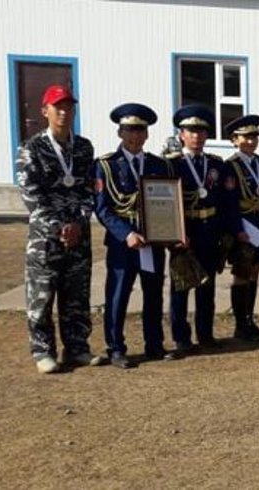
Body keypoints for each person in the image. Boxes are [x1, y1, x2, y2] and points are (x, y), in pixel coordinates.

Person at [17, 84, 102, 374]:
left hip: (78, 236)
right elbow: (31, 194)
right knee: (41, 296)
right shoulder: (31, 148)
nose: (64, 112)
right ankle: (43, 351)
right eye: (58, 107)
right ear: (45, 111)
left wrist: (78, 222)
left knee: (77, 295)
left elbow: (89, 189)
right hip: (46, 239)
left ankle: (77, 347)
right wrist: (58, 227)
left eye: (68, 107)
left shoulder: (83, 148)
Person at [94, 103, 174, 368]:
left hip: (153, 240)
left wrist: (171, 232)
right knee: (118, 294)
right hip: (124, 243)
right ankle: (116, 348)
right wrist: (126, 233)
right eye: (129, 129)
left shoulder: (159, 165)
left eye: (140, 130)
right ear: (120, 132)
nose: (135, 135)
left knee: (153, 293)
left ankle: (154, 344)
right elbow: (102, 209)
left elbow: (169, 204)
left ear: (147, 134)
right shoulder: (106, 166)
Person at [167, 104, 227, 353]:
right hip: (185, 230)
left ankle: (205, 333)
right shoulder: (172, 164)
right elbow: (167, 203)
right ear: (182, 134)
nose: (197, 136)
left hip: (209, 230)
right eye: (191, 131)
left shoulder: (215, 164)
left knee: (207, 286)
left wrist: (223, 233)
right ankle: (181, 337)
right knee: (180, 287)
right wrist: (176, 233)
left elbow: (223, 200)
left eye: (202, 131)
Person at [221, 114, 259, 341]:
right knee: (241, 273)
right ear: (234, 140)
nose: (250, 141)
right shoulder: (230, 166)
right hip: (243, 226)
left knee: (255, 271)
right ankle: (240, 323)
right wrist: (237, 229)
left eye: (254, 137)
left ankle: (249, 319)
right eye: (245, 137)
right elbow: (229, 203)